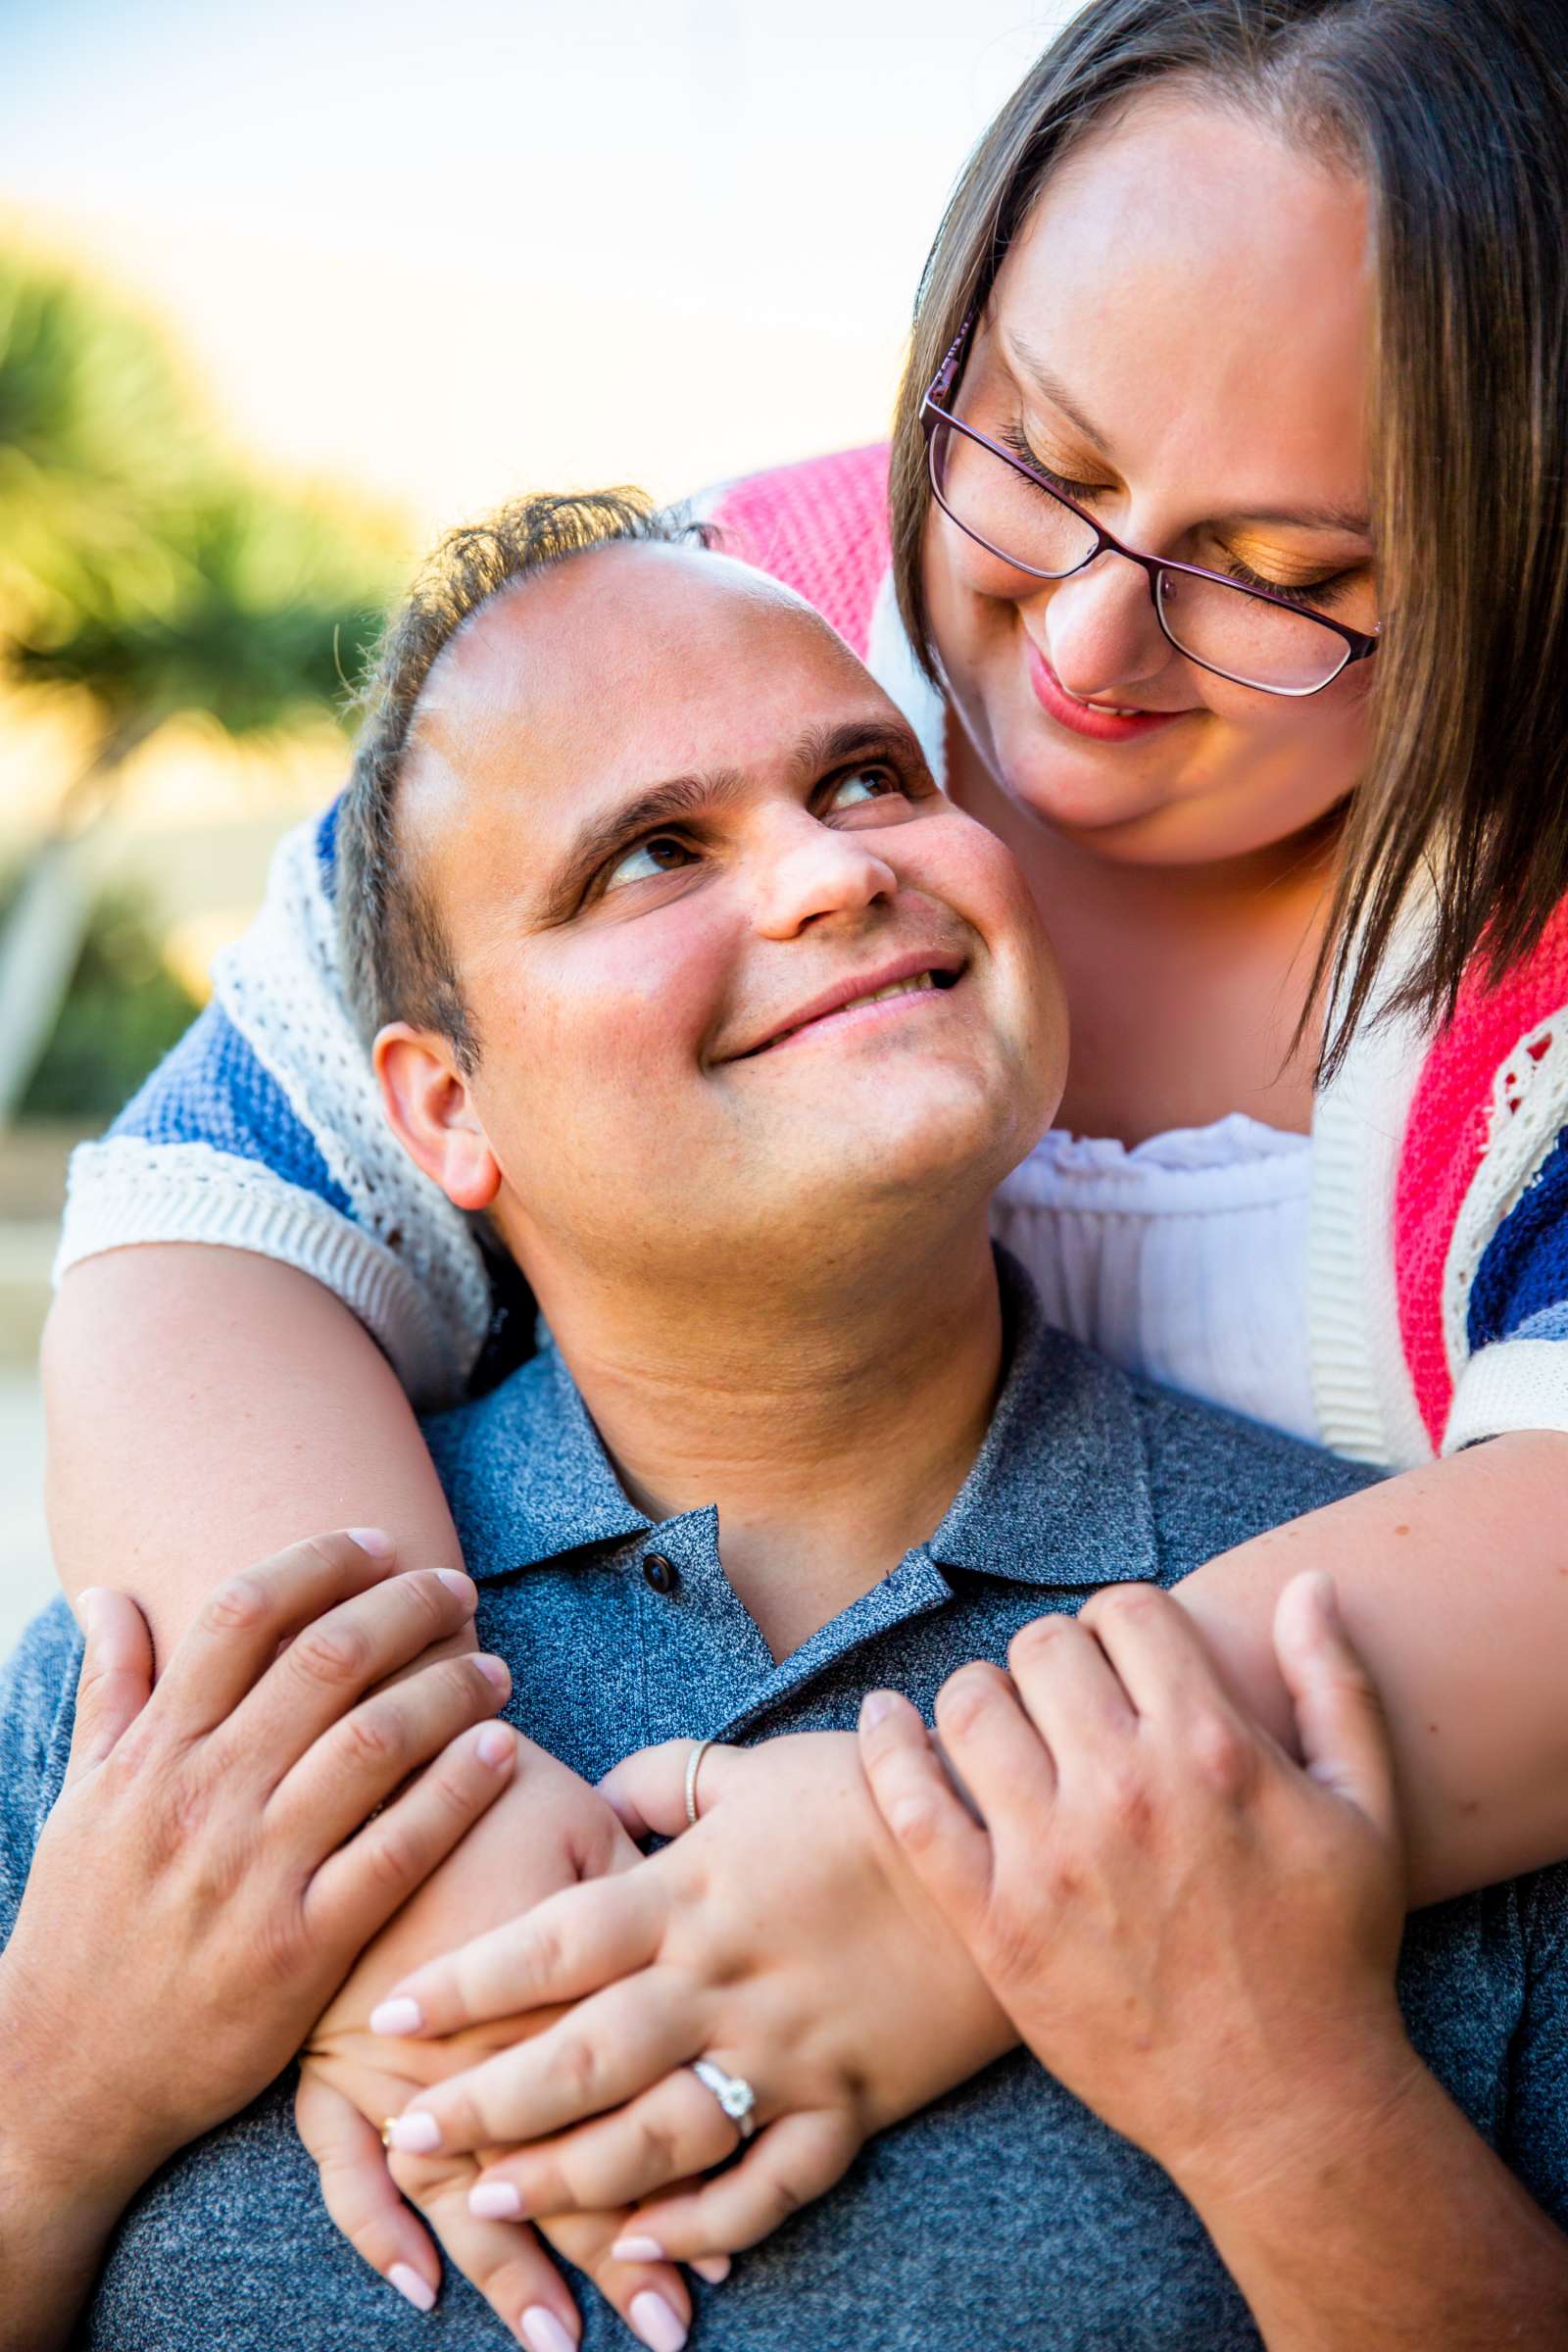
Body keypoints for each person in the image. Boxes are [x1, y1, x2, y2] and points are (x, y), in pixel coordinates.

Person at [39, 0, 1568, 1907]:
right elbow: (212, 1235)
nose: (1086, 651)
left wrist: (924, 1890)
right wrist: (412, 1857)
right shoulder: (686, 641)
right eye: (1038, 453)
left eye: (1282, 577)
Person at [9, 497, 1568, 2348]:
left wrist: (1282, 2099)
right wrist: (56, 2100)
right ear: (438, 1114)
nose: (835, 876)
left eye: (865, 783)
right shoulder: (155, 1709)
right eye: (653, 854)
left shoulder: (1380, 1686)